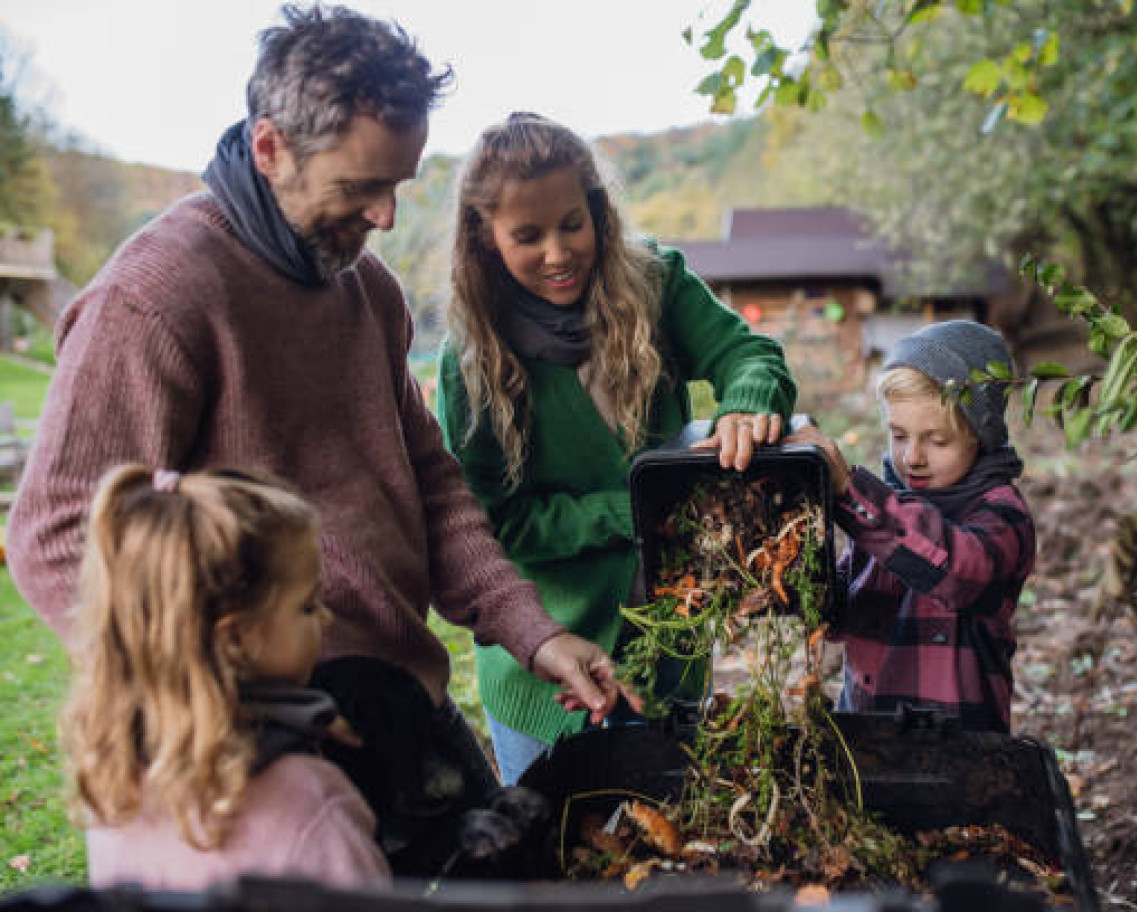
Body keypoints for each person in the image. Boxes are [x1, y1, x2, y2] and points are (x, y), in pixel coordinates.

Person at [8, 3, 627, 812]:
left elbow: (432, 487)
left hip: (400, 700)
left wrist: (533, 631)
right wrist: (212, 704)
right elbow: (53, 531)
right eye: (360, 187)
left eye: (397, 186)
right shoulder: (157, 298)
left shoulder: (367, 290)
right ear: (270, 148)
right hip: (259, 746)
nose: (386, 217)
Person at [436, 112, 797, 784]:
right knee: (561, 858)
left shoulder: (655, 284)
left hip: (670, 642)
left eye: (572, 223)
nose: (558, 252)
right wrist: (634, 507)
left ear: (598, 212)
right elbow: (492, 522)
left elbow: (748, 352)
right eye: (527, 235)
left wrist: (748, 402)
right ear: (485, 240)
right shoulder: (473, 364)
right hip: (546, 668)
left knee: (669, 833)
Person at [62, 464, 389, 889]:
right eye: (308, 606)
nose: (326, 618)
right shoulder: (309, 800)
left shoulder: (113, 791)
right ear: (235, 638)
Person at [787, 319, 1036, 732]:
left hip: (958, 750)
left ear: (981, 436)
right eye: (899, 435)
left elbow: (959, 571)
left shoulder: (1001, 514)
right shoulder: (885, 509)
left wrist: (851, 493)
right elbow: (843, 614)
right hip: (868, 736)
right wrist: (790, 578)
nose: (912, 457)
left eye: (937, 441)